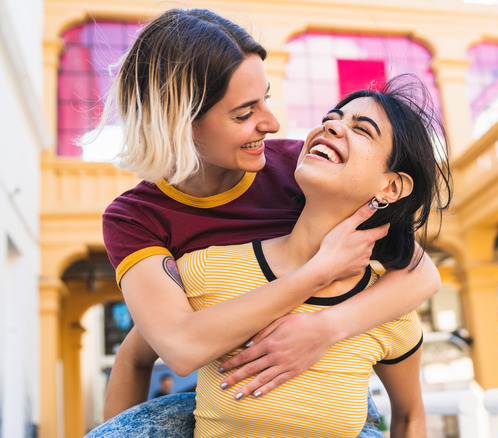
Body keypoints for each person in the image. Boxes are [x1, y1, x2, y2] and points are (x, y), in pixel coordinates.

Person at [87, 8, 442, 437]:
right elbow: (170, 346)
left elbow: (420, 274)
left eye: (266, 98)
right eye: (243, 113)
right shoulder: (140, 220)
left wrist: (324, 329)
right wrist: (318, 272)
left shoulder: (303, 166)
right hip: (226, 397)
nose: (271, 124)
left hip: (333, 392)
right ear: (179, 123)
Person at [178, 75, 449, 437]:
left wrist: (326, 328)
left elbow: (410, 416)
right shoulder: (207, 268)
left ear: (392, 186)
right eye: (331, 119)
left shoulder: (389, 309)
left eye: (362, 129)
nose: (332, 126)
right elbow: (137, 356)